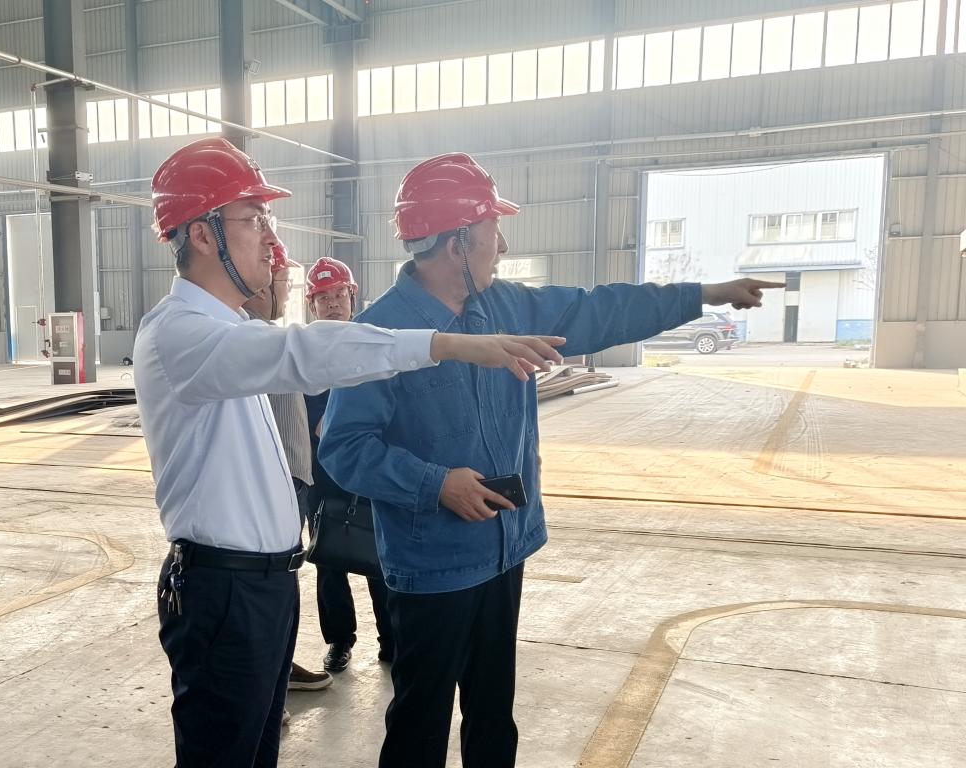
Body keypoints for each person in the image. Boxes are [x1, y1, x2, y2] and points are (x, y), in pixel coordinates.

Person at [317, 152, 784, 768]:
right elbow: (344, 448)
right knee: (419, 721)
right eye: (493, 231)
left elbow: (601, 308)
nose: (503, 246)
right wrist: (436, 484)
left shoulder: (507, 308)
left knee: (493, 712)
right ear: (458, 243)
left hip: (503, 550)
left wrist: (701, 295)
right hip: (433, 566)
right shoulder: (381, 334)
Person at [132, 138, 566, 767]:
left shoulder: (231, 330)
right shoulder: (180, 335)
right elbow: (305, 353)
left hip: (261, 586)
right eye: (253, 220)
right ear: (202, 234)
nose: (271, 240)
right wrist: (446, 345)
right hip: (223, 590)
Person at [240, 244, 333, 719]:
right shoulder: (251, 340)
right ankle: (265, 684)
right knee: (269, 588)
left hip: (292, 478)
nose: (287, 293)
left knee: (281, 586)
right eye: (282, 283)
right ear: (260, 285)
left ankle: (277, 671)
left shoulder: (265, 335)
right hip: (276, 484)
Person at [303, 257, 394, 672]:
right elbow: (296, 407)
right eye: (323, 298)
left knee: (379, 553)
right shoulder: (304, 351)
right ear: (312, 305)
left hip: (368, 468)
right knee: (328, 558)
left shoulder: (369, 342)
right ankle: (339, 640)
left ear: (352, 296)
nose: (333, 304)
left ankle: (391, 639)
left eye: (339, 294)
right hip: (322, 473)